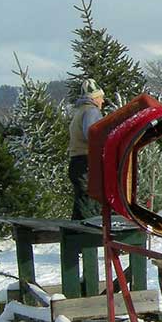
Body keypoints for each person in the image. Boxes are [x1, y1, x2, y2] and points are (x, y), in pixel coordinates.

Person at [68, 78, 105, 220]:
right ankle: (83, 237)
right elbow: (93, 136)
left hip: (76, 162)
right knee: (88, 205)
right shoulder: (91, 112)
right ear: (94, 98)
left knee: (80, 204)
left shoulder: (80, 111)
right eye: (101, 97)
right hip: (86, 162)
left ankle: (73, 237)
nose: (102, 101)